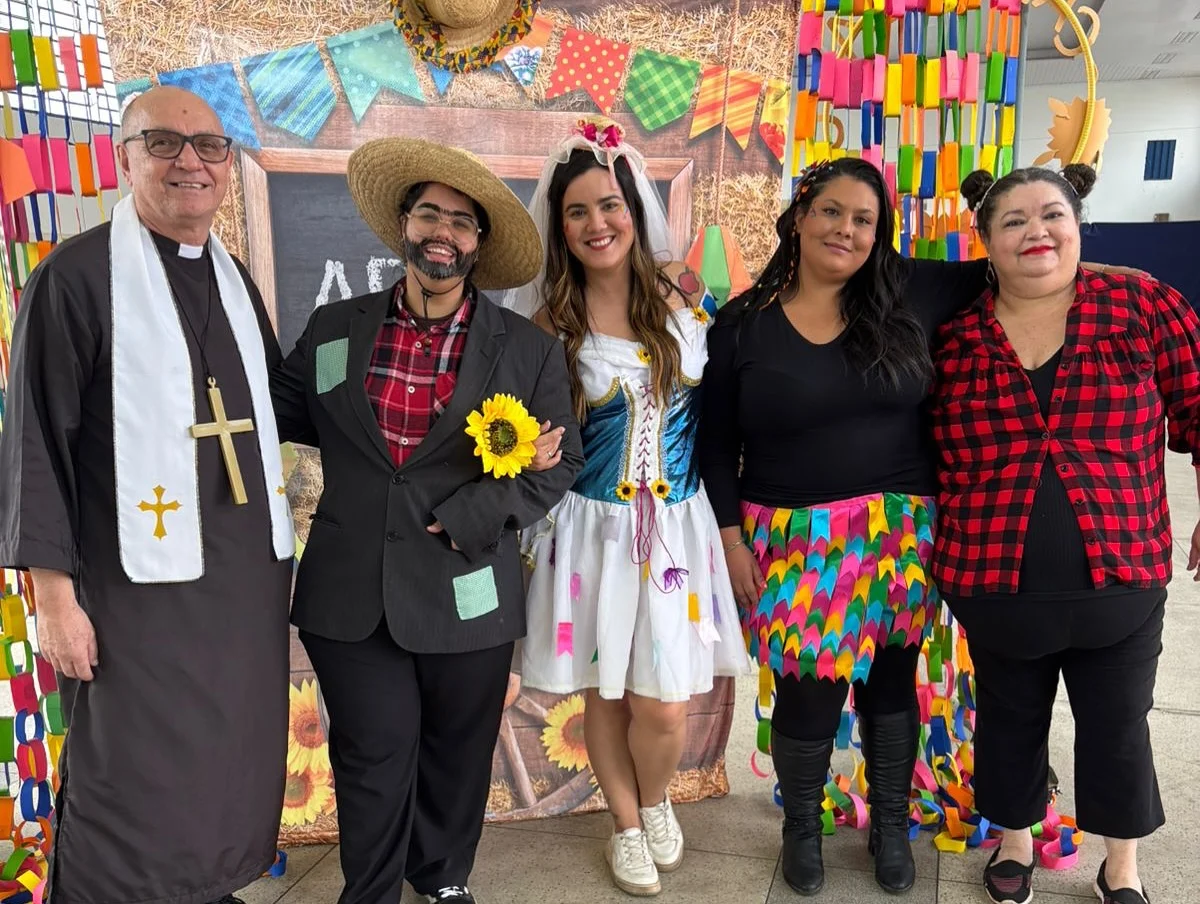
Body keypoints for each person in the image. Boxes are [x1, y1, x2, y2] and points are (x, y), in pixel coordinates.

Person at [697, 156, 1139, 898]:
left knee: (892, 685)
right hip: (793, 539)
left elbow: (1025, 259)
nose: (846, 229)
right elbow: (714, 444)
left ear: (881, 232)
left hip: (901, 534)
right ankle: (801, 826)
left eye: (864, 219)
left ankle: (892, 824)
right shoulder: (743, 324)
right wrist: (731, 539)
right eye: (831, 211)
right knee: (808, 690)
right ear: (799, 216)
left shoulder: (912, 290)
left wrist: (1096, 252)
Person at [269, 137, 583, 904]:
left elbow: (562, 461)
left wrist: (473, 512)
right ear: (404, 226)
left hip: (467, 584)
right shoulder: (334, 329)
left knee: (457, 751)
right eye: (430, 214)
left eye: (462, 221)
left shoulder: (528, 352)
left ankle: (442, 878)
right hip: (351, 592)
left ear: (479, 244)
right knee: (373, 753)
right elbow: (280, 410)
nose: (443, 231)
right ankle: (370, 893)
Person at [0, 86, 294, 904]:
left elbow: (281, 402)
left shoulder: (233, 280)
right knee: (131, 774)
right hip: (134, 597)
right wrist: (54, 602)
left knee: (227, 765)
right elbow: (34, 445)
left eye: (209, 146)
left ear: (227, 166)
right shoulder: (75, 279)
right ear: (125, 159)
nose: (190, 161)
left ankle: (205, 888)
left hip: (239, 592)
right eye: (163, 142)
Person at [930, 164, 1198, 904]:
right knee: (1009, 718)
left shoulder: (1143, 305)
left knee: (1119, 724)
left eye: (1052, 214)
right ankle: (1015, 839)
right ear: (985, 238)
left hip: (1123, 574)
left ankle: (1122, 865)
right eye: (1013, 221)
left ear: (1079, 226)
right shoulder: (953, 333)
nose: (1036, 232)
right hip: (992, 578)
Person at [504, 118, 748, 897]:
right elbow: (534, 432)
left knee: (664, 705)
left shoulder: (685, 300)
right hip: (592, 533)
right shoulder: (552, 324)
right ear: (560, 226)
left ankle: (654, 795)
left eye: (608, 205)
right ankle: (627, 824)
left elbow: (729, 408)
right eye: (577, 211)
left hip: (677, 530)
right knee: (604, 689)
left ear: (633, 210)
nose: (596, 223)